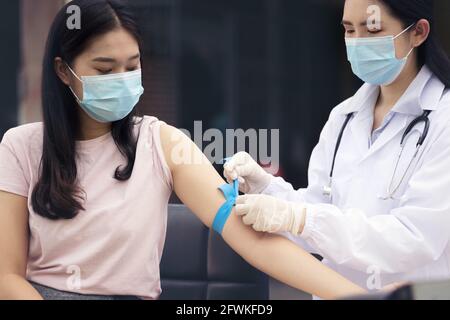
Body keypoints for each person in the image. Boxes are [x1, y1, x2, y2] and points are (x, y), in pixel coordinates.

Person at [0, 0, 366, 300]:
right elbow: (7, 276)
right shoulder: (22, 147)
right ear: (64, 72)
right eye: (104, 69)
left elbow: (250, 240)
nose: (122, 79)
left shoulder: (162, 143)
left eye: (132, 66)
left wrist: (354, 296)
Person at [225, 0, 450, 296]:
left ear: (418, 32)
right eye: (348, 30)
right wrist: (266, 189)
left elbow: (414, 237)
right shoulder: (344, 117)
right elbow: (319, 213)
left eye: (372, 30)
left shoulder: (443, 119)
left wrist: (301, 219)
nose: (356, 43)